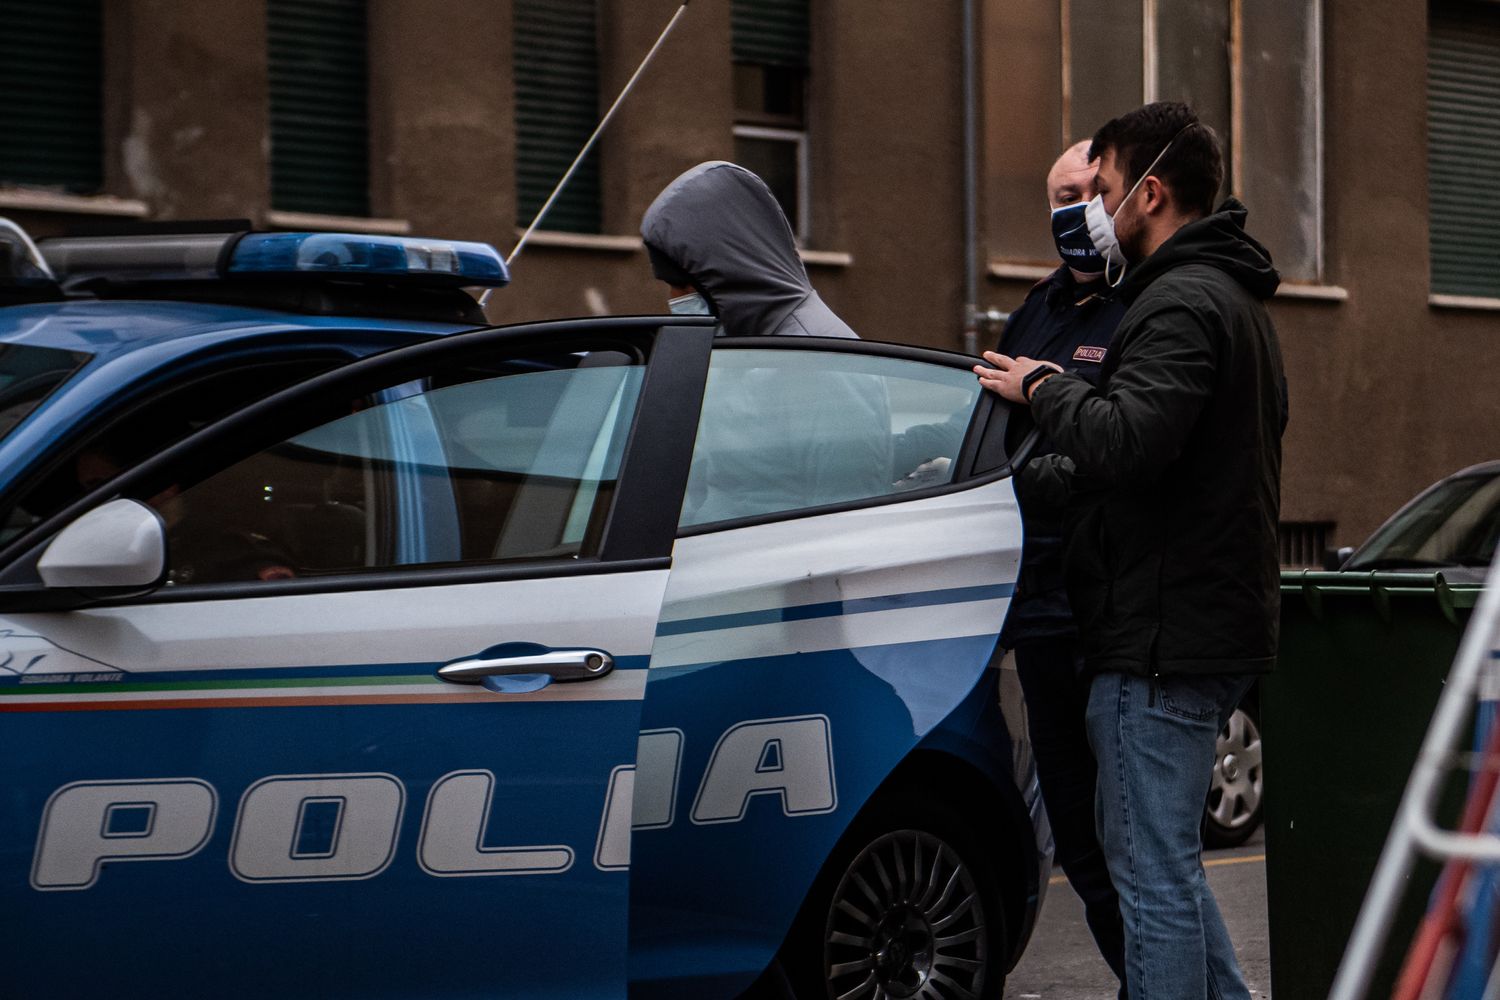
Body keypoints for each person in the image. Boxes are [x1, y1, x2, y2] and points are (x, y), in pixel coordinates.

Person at [975, 102, 1287, 1000]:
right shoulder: (1220, 300)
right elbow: (1156, 461)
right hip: (1179, 626)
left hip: (1160, 638)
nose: (1094, 209)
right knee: (1164, 873)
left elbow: (1129, 440)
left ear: (1150, 193)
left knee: (1150, 877)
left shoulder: (1181, 302)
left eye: (1103, 189)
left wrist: (1044, 386)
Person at [997, 139, 1130, 996]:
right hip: (1041, 615)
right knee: (1079, 846)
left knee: (1142, 849)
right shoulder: (1035, 311)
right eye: (1060, 194)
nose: (1076, 206)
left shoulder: (1149, 308)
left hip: (1115, 616)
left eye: (1091, 190)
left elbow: (1134, 444)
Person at [641, 162, 892, 523]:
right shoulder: (739, 340)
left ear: (725, 273)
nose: (673, 296)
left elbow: (843, 517)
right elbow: (708, 481)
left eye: (683, 284)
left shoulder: (817, 354)